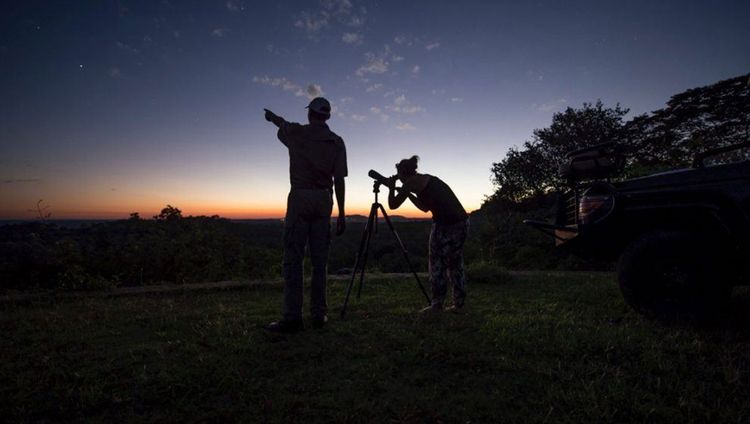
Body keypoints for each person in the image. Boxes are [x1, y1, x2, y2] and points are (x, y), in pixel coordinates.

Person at [262, 97, 347, 333]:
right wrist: (341, 213)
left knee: (293, 260)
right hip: (323, 200)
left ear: (310, 114)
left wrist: (270, 117)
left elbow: (281, 123)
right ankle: (319, 315)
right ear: (327, 117)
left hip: (300, 198)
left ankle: (292, 317)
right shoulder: (336, 142)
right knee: (320, 262)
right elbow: (339, 179)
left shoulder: (298, 133)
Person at [386, 155, 469, 313]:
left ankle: (438, 305)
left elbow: (393, 205)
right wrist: (408, 194)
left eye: (399, 176)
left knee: (440, 264)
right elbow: (424, 207)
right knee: (453, 265)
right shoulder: (425, 180)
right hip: (453, 222)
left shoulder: (410, 183)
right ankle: (458, 304)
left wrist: (391, 187)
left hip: (452, 224)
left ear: (403, 173)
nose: (399, 180)